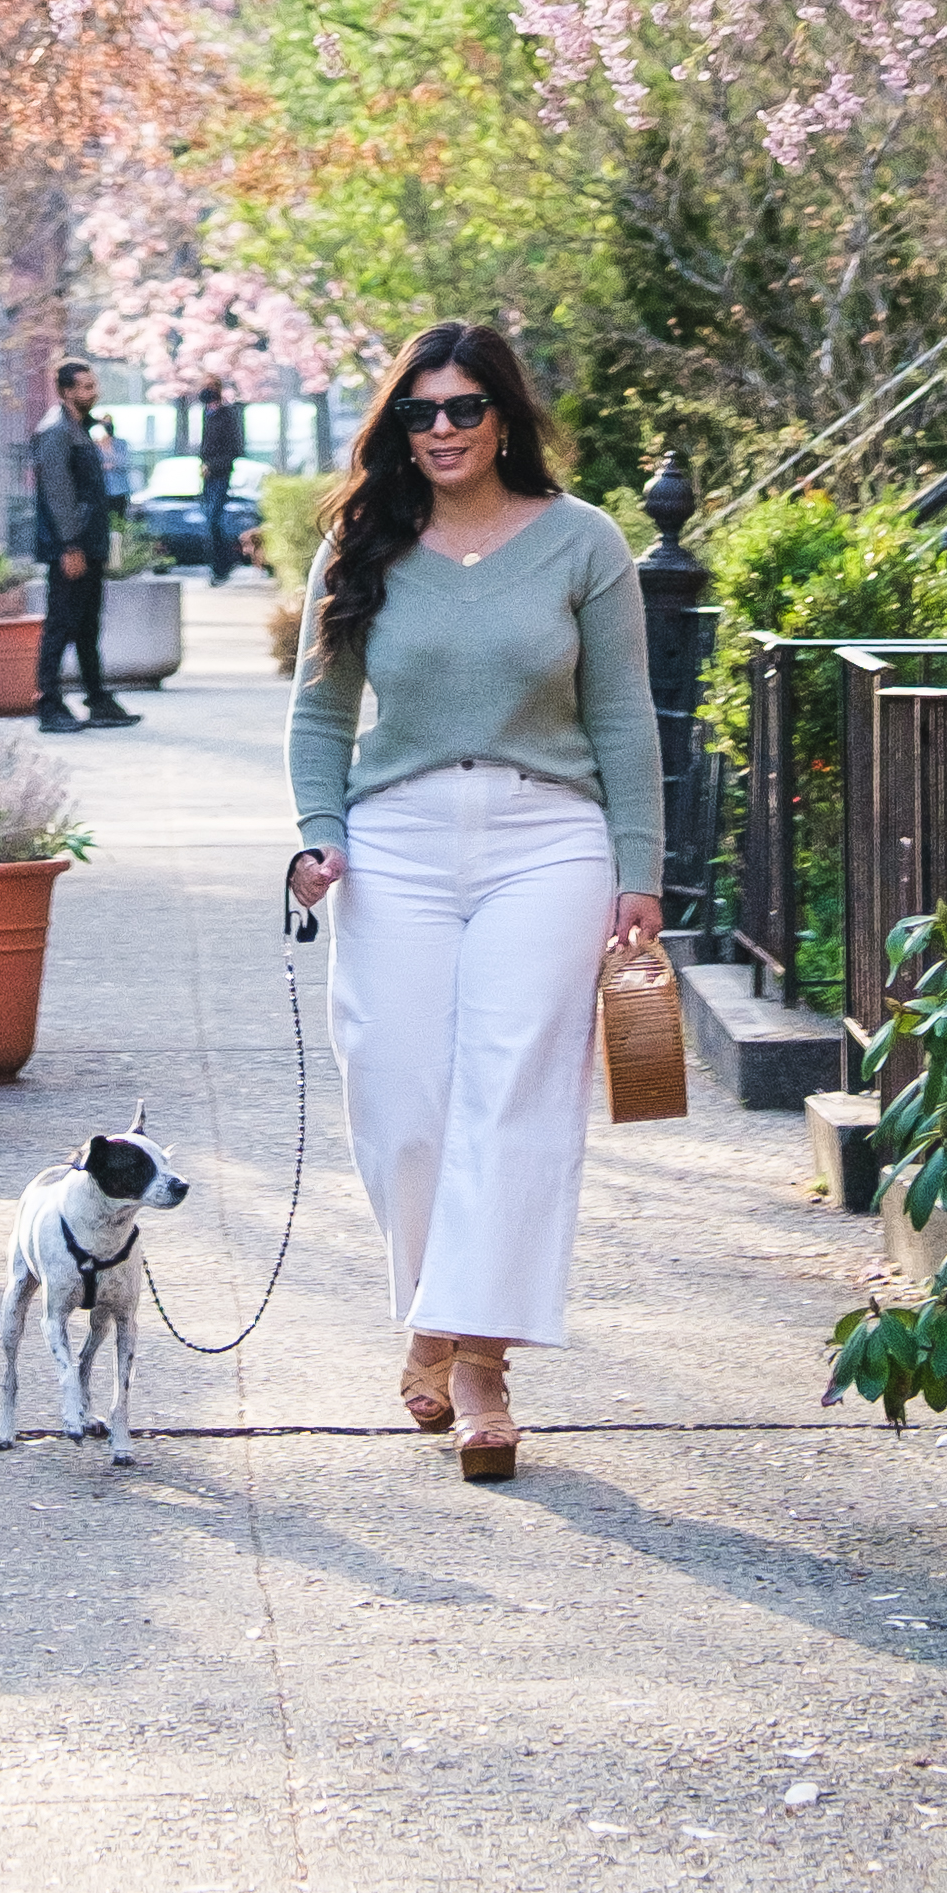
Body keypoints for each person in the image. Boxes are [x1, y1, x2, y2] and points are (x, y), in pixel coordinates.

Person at [282, 317, 666, 1482]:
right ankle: (433, 1317)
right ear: (397, 427)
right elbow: (317, 715)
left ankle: (482, 1365)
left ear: (503, 417)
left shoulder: (581, 542)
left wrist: (639, 869)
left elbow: (622, 717)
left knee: (513, 1094)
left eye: (461, 409)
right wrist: (319, 834)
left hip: (547, 839)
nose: (440, 430)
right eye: (418, 412)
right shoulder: (362, 543)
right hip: (395, 839)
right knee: (401, 1094)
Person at [31, 357, 136, 731]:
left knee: (88, 623)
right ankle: (49, 705)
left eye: (94, 386)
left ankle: (98, 698)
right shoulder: (56, 432)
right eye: (86, 388)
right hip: (71, 546)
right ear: (66, 392)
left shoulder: (79, 428)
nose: (94, 393)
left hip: (88, 542)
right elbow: (58, 493)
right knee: (61, 623)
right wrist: (70, 545)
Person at [197, 382, 246, 583]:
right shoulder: (206, 414)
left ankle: (222, 566)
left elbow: (234, 449)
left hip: (220, 473)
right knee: (211, 521)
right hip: (208, 474)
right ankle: (218, 566)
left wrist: (213, 466)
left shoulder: (226, 415)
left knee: (214, 520)